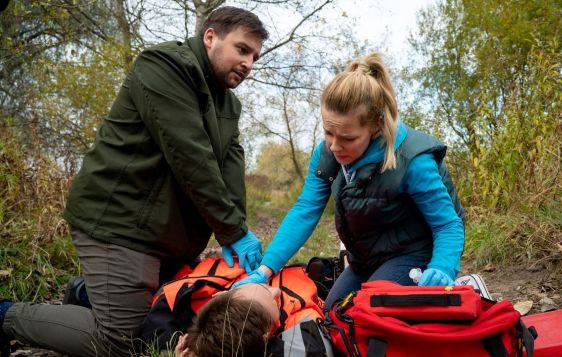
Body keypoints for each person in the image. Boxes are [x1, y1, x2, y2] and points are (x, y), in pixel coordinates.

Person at [0, 6, 268, 356]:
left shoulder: (228, 106)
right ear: (210, 37)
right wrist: (231, 230)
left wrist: (238, 231)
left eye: (255, 57)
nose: (248, 63)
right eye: (242, 49)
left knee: (159, 324)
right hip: (121, 222)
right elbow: (190, 155)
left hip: (164, 237)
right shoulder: (164, 67)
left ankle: (85, 295)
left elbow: (230, 170)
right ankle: (5, 314)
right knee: (119, 342)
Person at [233, 52, 466, 314]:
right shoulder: (328, 153)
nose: (335, 145)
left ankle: (464, 291)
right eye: (328, 132)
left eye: (347, 138)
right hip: (366, 257)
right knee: (334, 313)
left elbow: (447, 224)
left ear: (376, 127)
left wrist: (442, 267)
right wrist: (265, 270)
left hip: (415, 253)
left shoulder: (412, 160)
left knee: (363, 314)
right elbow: (305, 209)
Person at [140, 257, 333, 357]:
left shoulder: (184, 298)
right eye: (272, 297)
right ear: (267, 335)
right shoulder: (299, 322)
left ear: (224, 294)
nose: (275, 292)